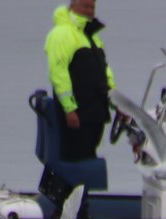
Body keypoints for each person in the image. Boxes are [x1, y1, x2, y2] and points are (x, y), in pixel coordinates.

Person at [43, 0, 116, 191]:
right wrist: (70, 109)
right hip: (76, 115)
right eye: (85, 6)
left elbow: (105, 73)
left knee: (88, 158)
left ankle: (81, 206)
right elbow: (59, 74)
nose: (90, 10)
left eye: (92, 7)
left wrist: (117, 103)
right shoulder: (62, 34)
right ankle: (68, 207)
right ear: (72, 7)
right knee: (75, 160)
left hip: (95, 114)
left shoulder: (91, 37)